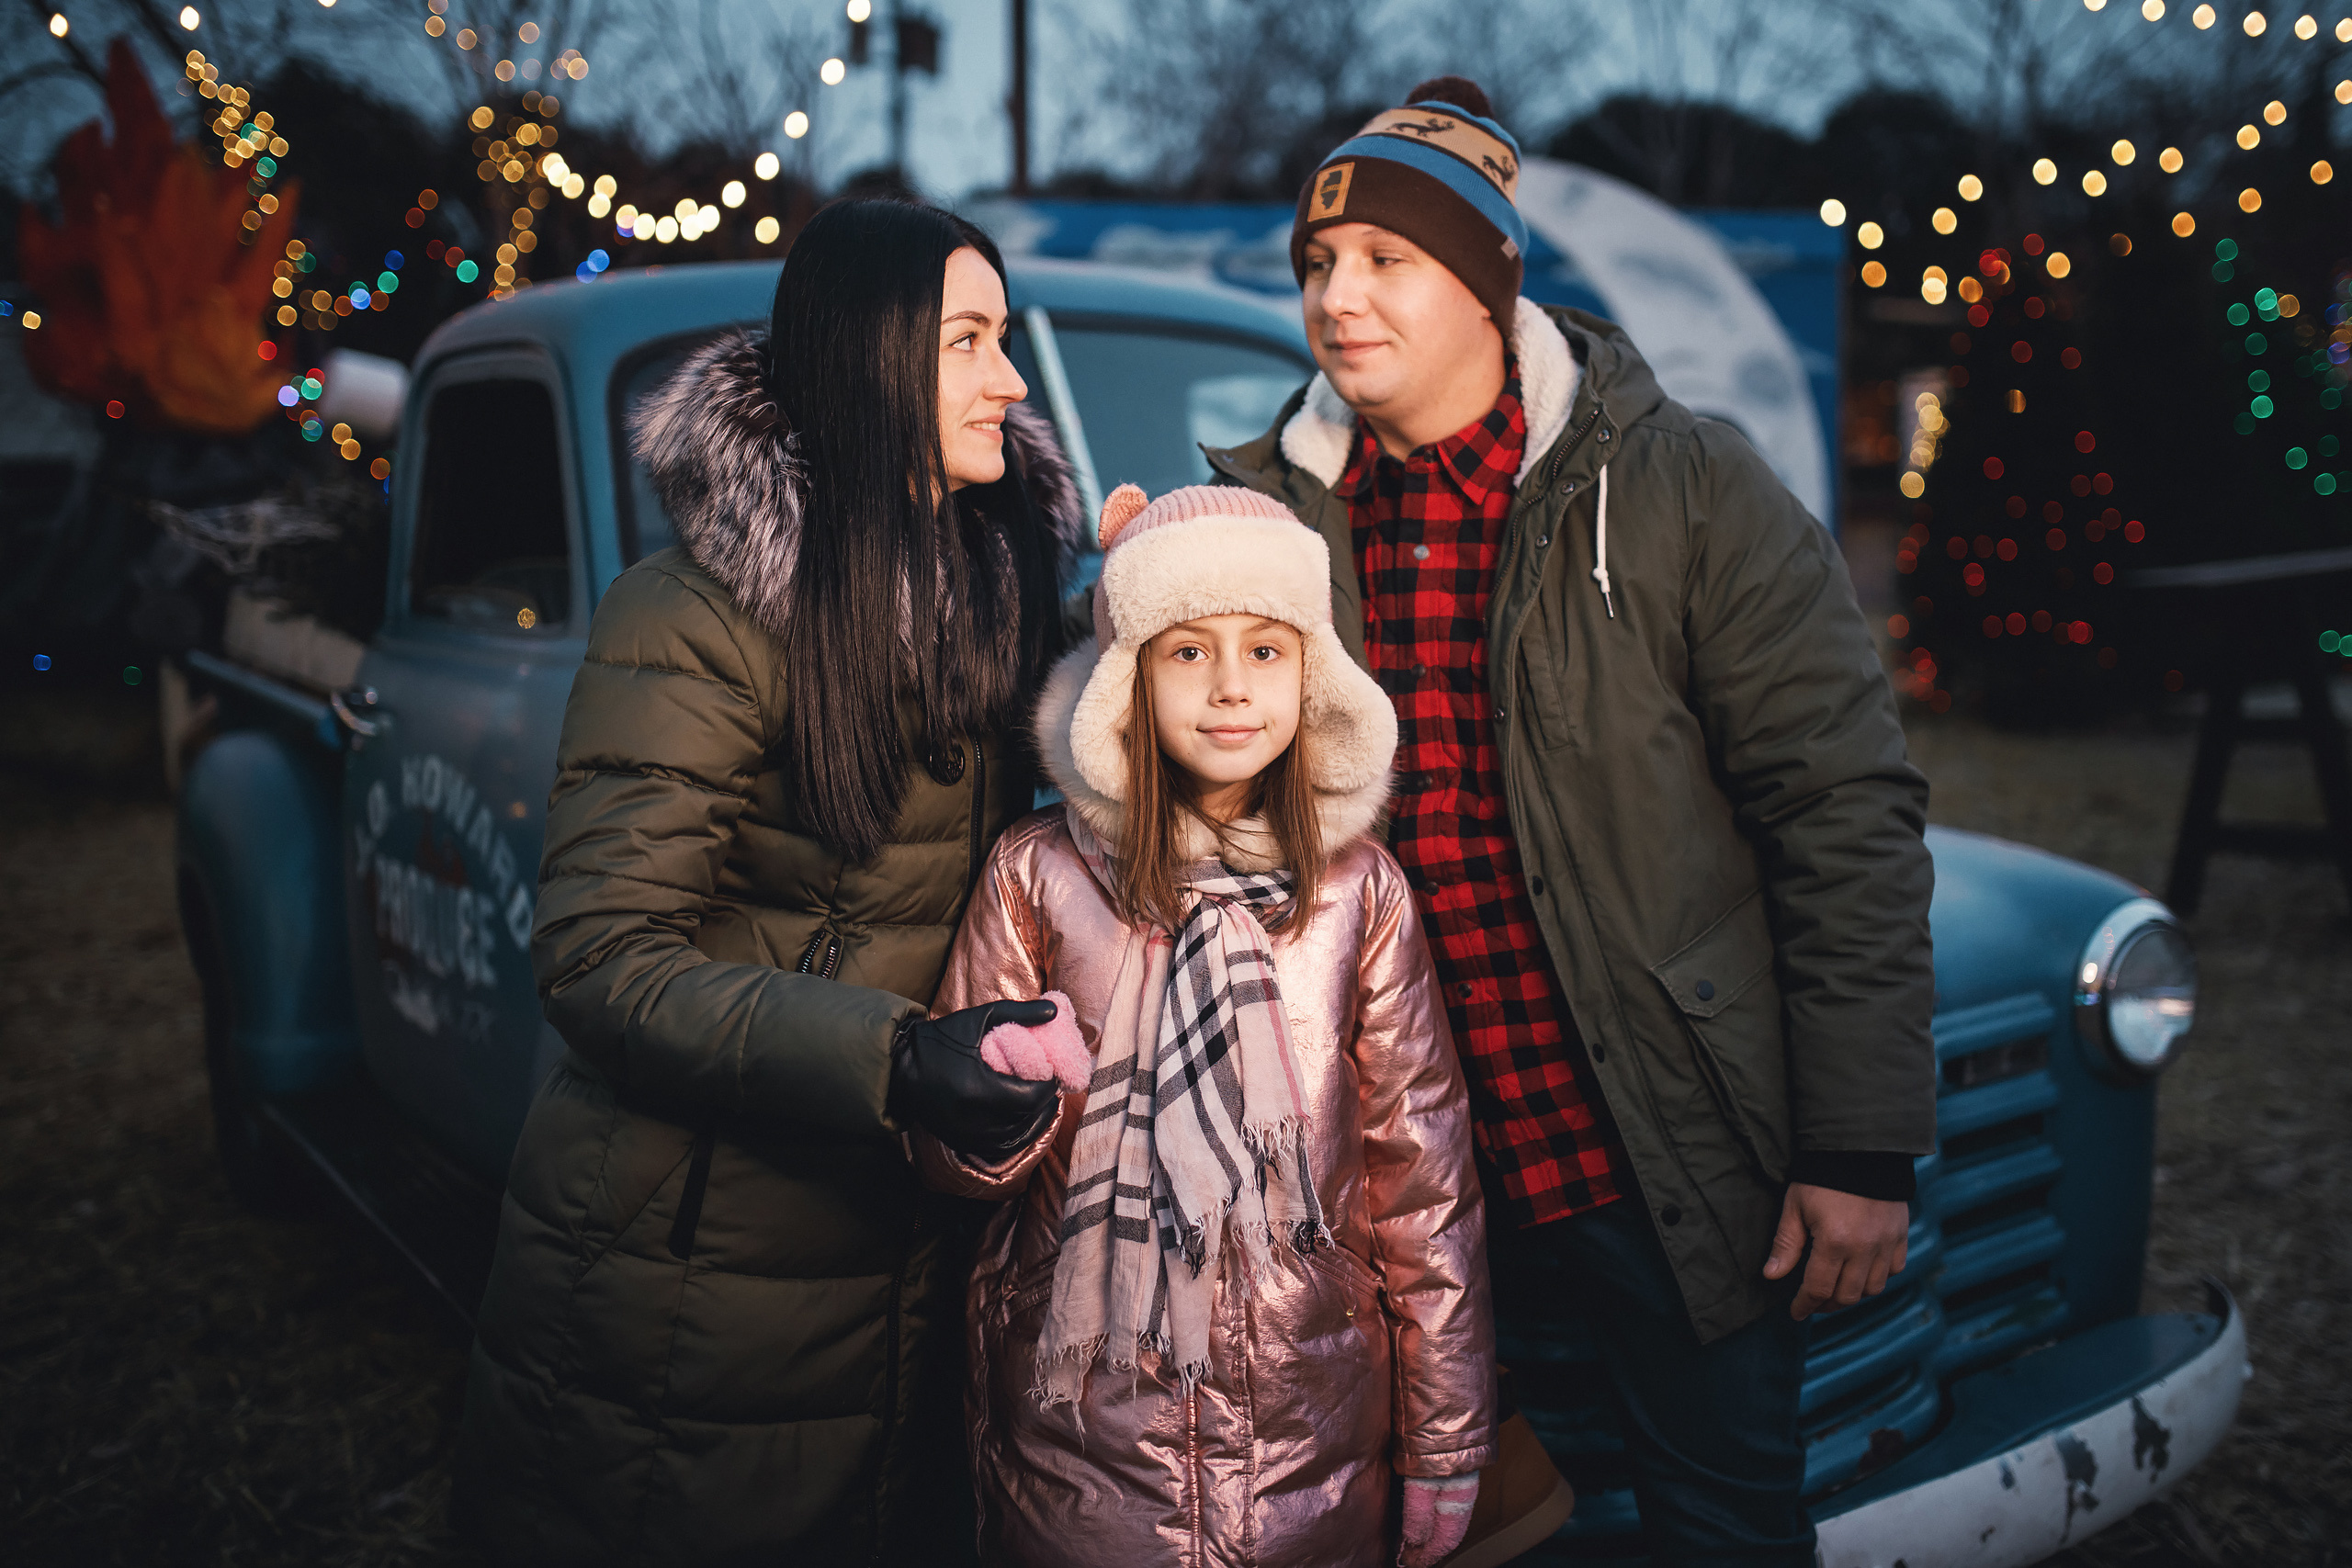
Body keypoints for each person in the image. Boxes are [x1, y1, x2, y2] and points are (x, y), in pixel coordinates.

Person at [1202, 78, 1938, 1566]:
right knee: (1468, 1536)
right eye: (1316, 268)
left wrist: (1860, 1142)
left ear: (1486, 280)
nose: (1337, 298)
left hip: (1659, 1152)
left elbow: (1841, 803)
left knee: (1722, 1522)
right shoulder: (1265, 527)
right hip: (1412, 1186)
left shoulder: (1680, 486)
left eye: (1384, 262)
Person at [452, 199, 1087, 1564]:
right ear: (872, 361)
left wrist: (1157, 591)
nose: (1013, 379)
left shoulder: (992, 592)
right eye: (969, 341)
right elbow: (602, 957)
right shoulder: (695, 616)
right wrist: (897, 1056)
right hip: (697, 1266)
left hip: (904, 1242)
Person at [916, 481, 1498, 1568]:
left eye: (1266, 651)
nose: (1231, 688)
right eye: (1187, 651)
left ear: (1312, 675)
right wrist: (994, 1100)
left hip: (1311, 1439)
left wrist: (1448, 1440)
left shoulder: (1356, 893)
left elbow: (1424, 1182)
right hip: (1081, 1443)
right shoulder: (1036, 877)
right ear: (1125, 681)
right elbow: (950, 1167)